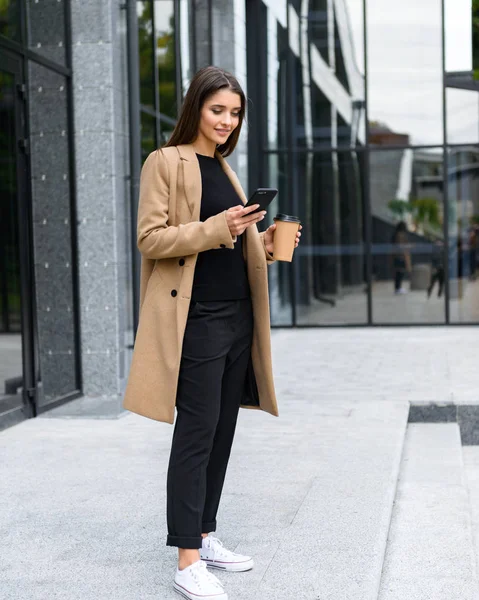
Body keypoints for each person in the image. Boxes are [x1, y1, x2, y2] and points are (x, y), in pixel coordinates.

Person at [123, 66, 302, 600]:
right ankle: (186, 560)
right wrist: (220, 226)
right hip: (195, 320)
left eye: (235, 112)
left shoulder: (224, 166)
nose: (227, 121)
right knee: (196, 435)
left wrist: (263, 242)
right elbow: (151, 239)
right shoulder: (165, 161)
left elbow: (227, 241)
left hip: (237, 316)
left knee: (222, 432)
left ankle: (205, 534)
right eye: (217, 109)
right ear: (196, 107)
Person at [391, 221, 411, 294]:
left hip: (397, 256)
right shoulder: (400, 235)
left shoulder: (396, 234)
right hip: (400, 256)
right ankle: (398, 288)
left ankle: (398, 288)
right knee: (400, 272)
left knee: (398, 272)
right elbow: (402, 245)